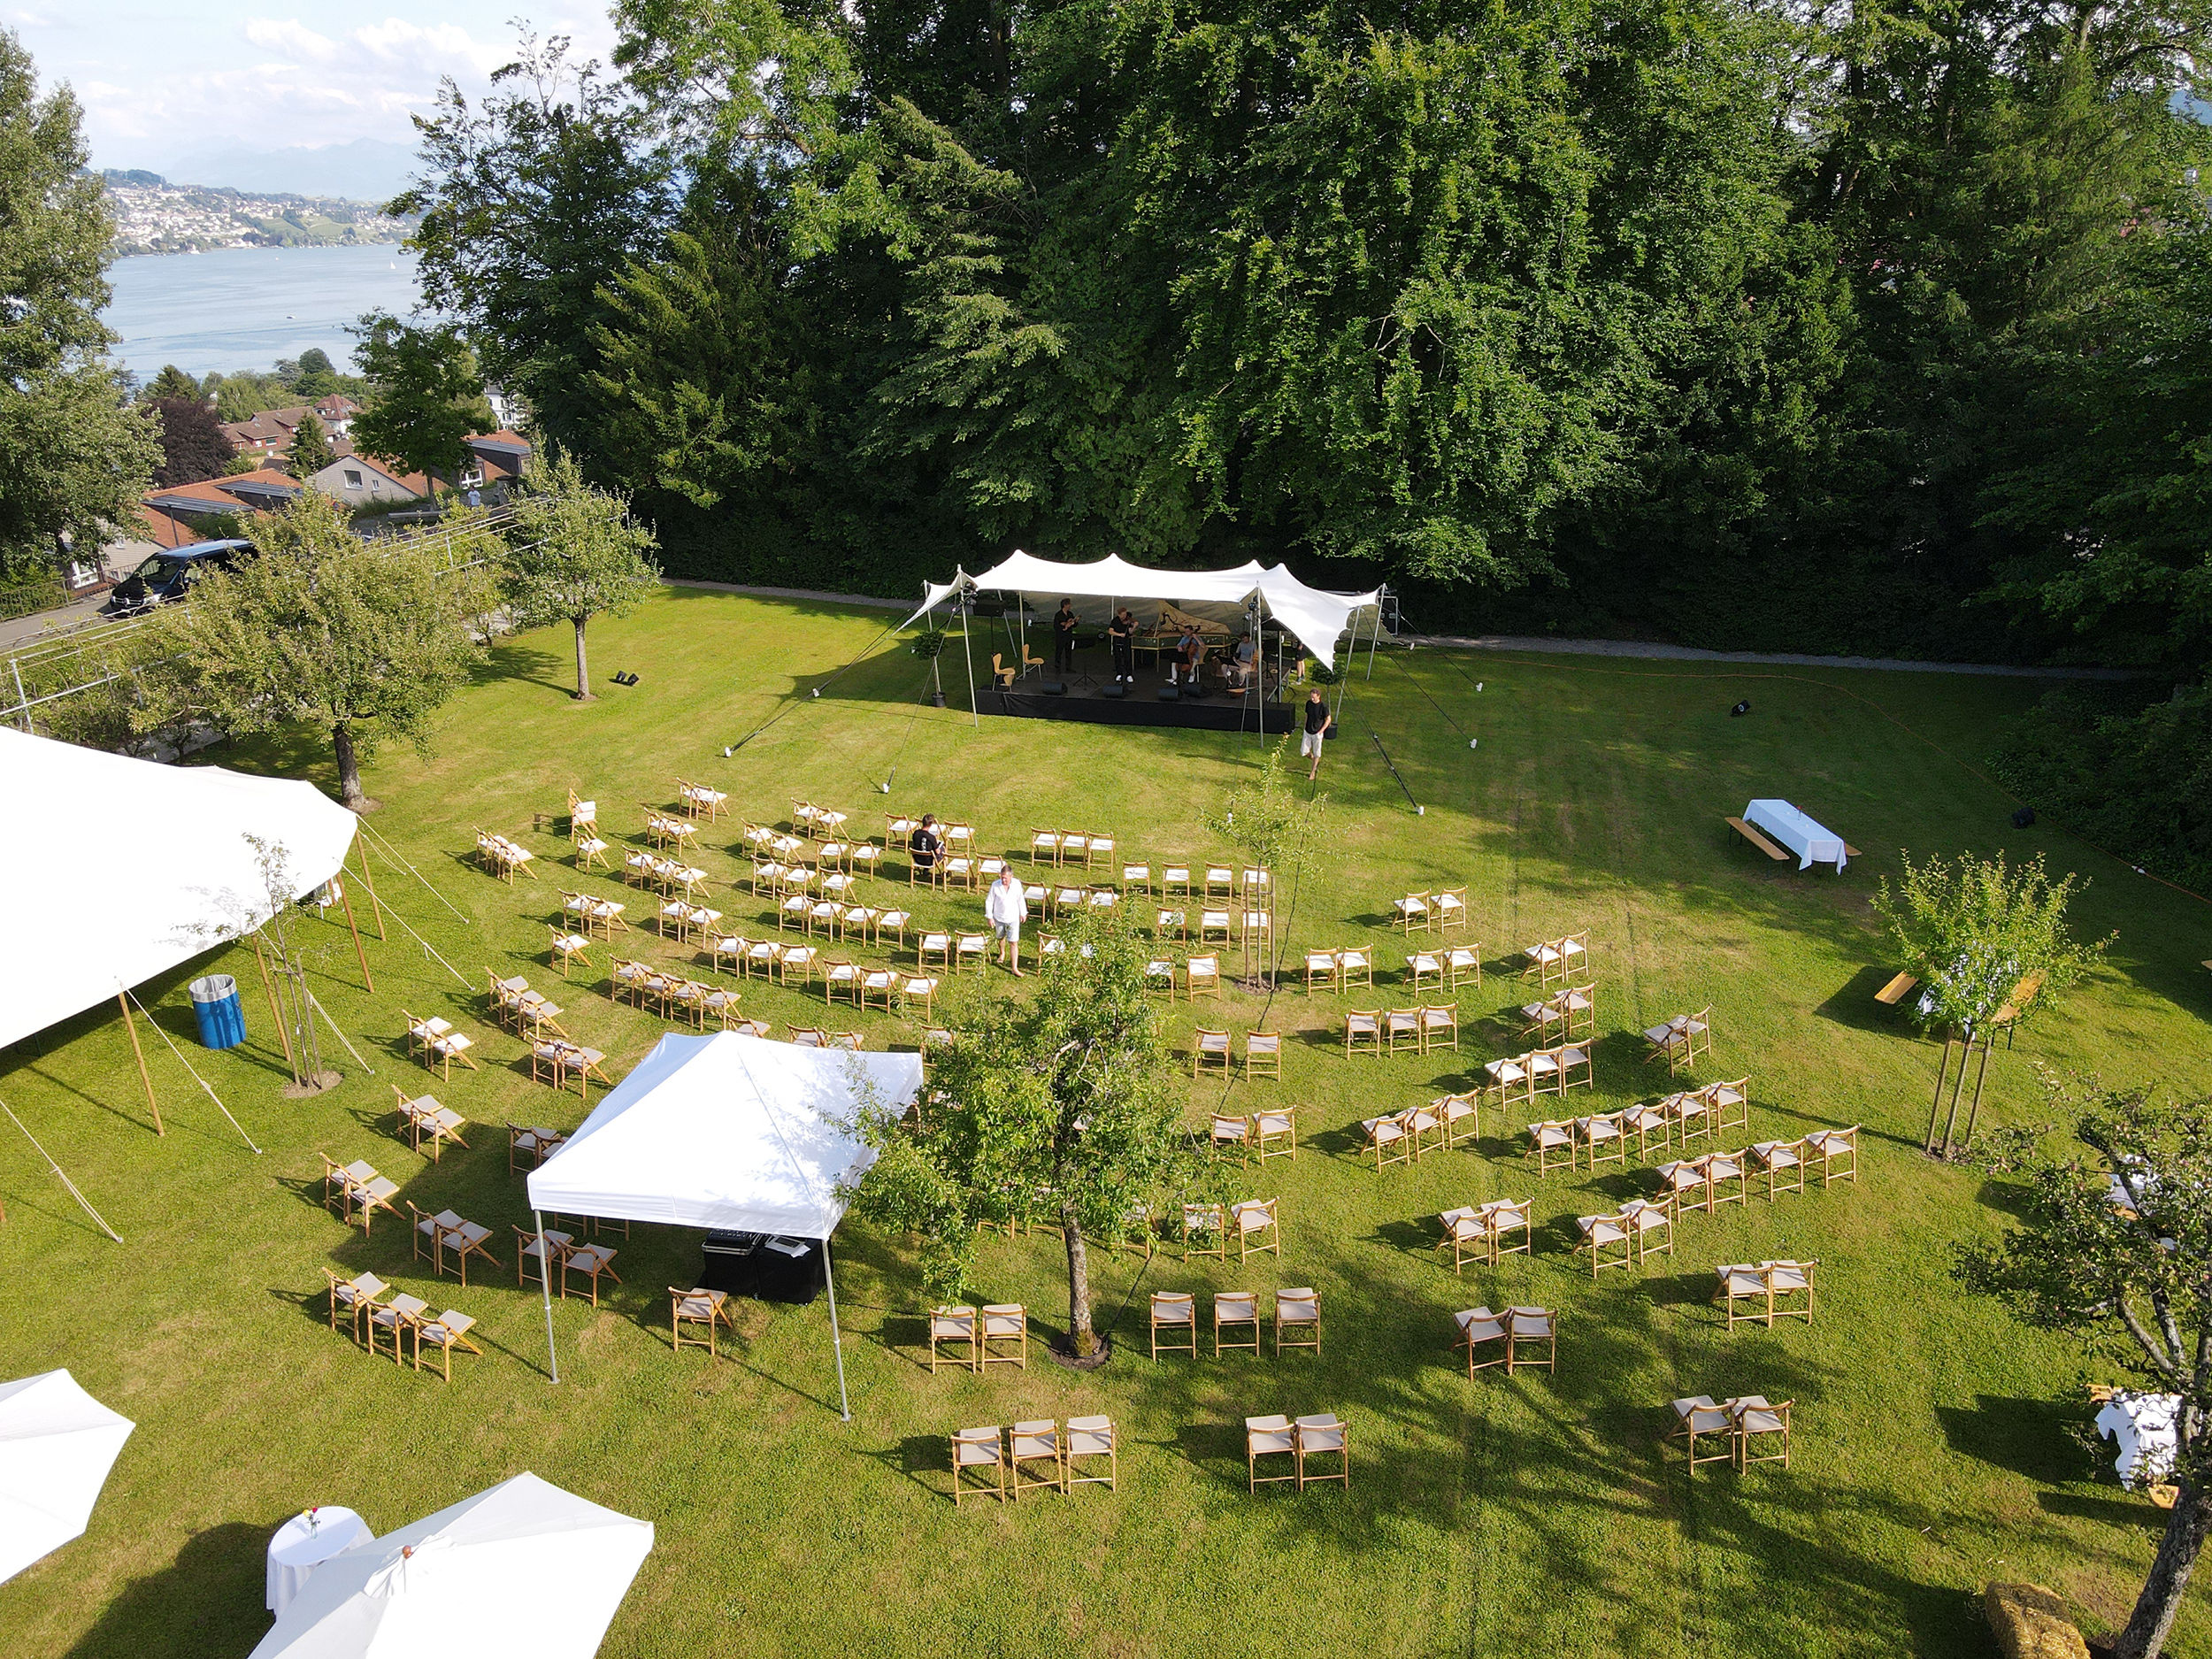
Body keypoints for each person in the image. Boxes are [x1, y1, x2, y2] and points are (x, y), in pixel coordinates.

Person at [985, 864, 1028, 975]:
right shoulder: (995, 885)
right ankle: (1002, 953)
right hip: (999, 917)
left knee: (1013, 942)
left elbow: (1021, 899)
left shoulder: (1017, 884)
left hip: (1013, 917)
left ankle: (1014, 968)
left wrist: (1023, 913)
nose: (1003, 880)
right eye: (1002, 877)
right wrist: (990, 917)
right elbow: (989, 901)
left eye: (1006, 878)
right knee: (1000, 937)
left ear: (1011, 877)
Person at [1301, 687, 1333, 780]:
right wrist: (1304, 725)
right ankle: (1313, 759)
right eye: (1311, 697)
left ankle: (1313, 772)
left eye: (1313, 697)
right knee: (1304, 751)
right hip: (1307, 731)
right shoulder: (1308, 704)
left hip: (1317, 733)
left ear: (1318, 696)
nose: (1312, 699)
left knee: (1317, 753)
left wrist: (1321, 731)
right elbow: (1307, 715)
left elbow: (1328, 720)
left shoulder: (1323, 706)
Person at [909, 813, 942, 879]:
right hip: (929, 861)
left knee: (926, 849)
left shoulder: (915, 833)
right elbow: (938, 852)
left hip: (917, 859)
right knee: (942, 849)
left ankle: (925, 870)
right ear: (930, 824)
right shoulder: (931, 837)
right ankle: (944, 872)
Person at [1109, 606, 1136, 683]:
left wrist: (1134, 626)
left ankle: (1129, 674)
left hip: (1126, 641)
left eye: (1126, 614)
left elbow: (1130, 632)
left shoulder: (1128, 621)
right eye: (1123, 615)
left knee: (1127, 657)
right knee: (1118, 658)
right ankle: (1119, 673)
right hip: (1117, 640)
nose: (1125, 616)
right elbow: (1110, 631)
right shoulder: (1115, 621)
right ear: (1119, 615)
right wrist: (1119, 634)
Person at [1053, 599, 1079, 675]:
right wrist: (1064, 625)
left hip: (1068, 636)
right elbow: (1056, 626)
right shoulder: (1058, 615)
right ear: (1065, 605)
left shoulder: (1070, 614)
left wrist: (1075, 622)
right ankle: (1057, 666)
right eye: (1069, 604)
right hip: (1061, 636)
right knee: (1059, 651)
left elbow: (1074, 625)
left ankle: (1068, 667)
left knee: (1068, 652)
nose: (1070, 606)